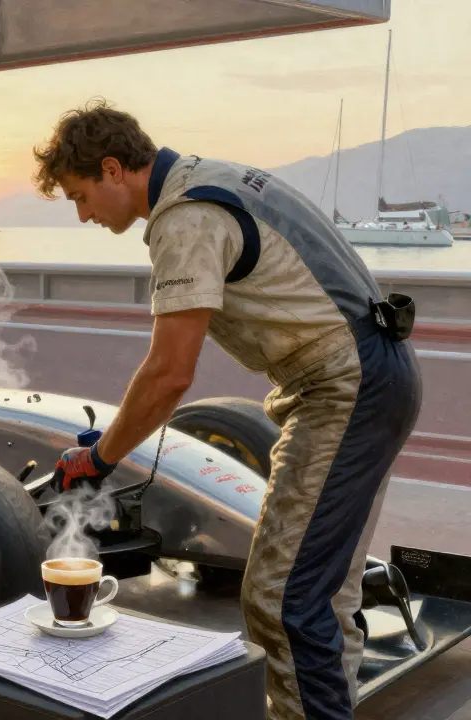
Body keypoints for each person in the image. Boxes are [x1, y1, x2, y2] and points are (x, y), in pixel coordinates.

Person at [36, 99, 421, 720]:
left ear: (112, 169)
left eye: (80, 195)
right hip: (376, 373)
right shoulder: (210, 176)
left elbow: (168, 375)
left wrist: (99, 458)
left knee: (284, 601)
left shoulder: (183, 219)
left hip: (343, 388)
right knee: (323, 599)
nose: (82, 214)